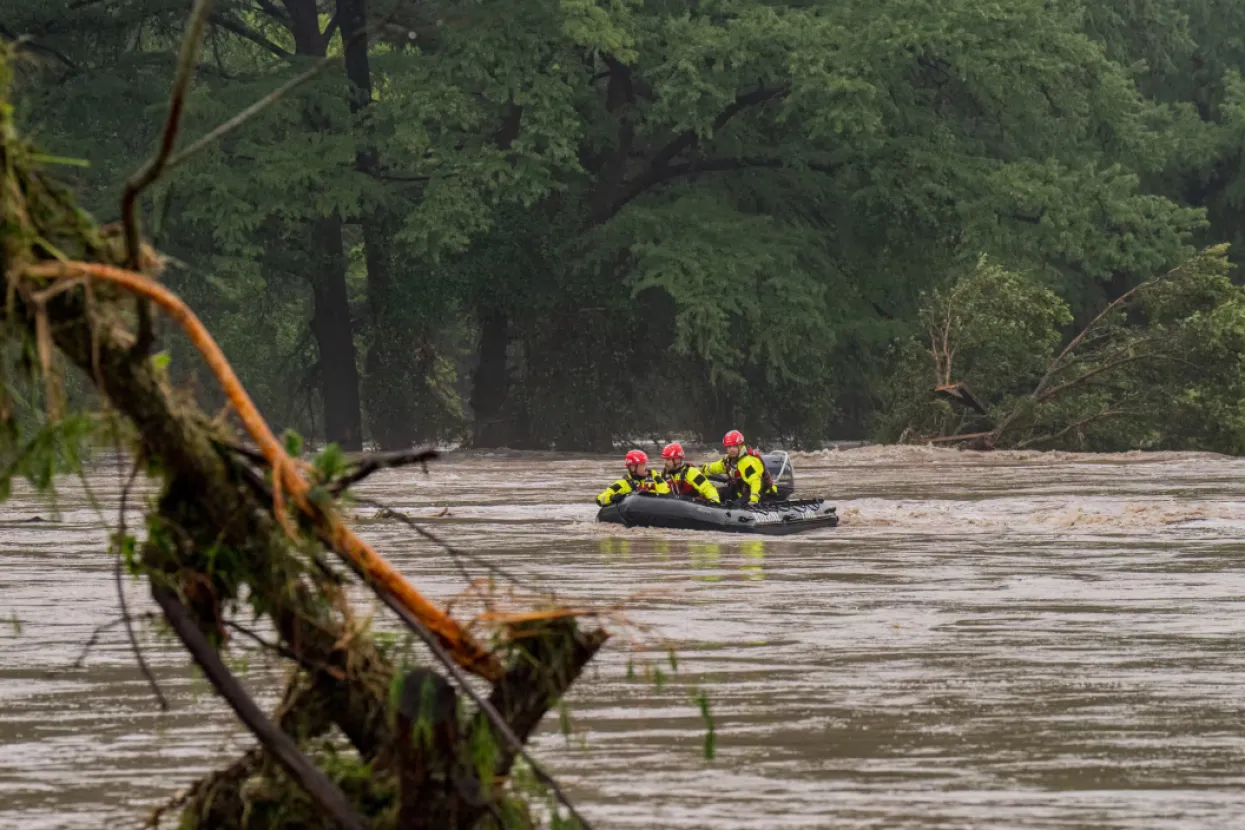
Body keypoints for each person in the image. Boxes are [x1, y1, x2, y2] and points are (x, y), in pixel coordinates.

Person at [704, 429, 778, 504]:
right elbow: (714, 467)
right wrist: (701, 470)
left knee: (735, 504)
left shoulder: (747, 461)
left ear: (741, 446)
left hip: (761, 493)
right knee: (722, 492)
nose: (731, 450)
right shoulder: (728, 460)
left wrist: (753, 500)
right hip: (743, 491)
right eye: (729, 447)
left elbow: (756, 482)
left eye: (734, 446)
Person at [596, 450, 670, 506]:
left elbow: (666, 491)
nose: (645, 467)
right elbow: (600, 499)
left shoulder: (655, 477)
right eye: (642, 465)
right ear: (632, 468)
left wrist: (650, 494)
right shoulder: (622, 483)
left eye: (645, 464)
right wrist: (612, 497)